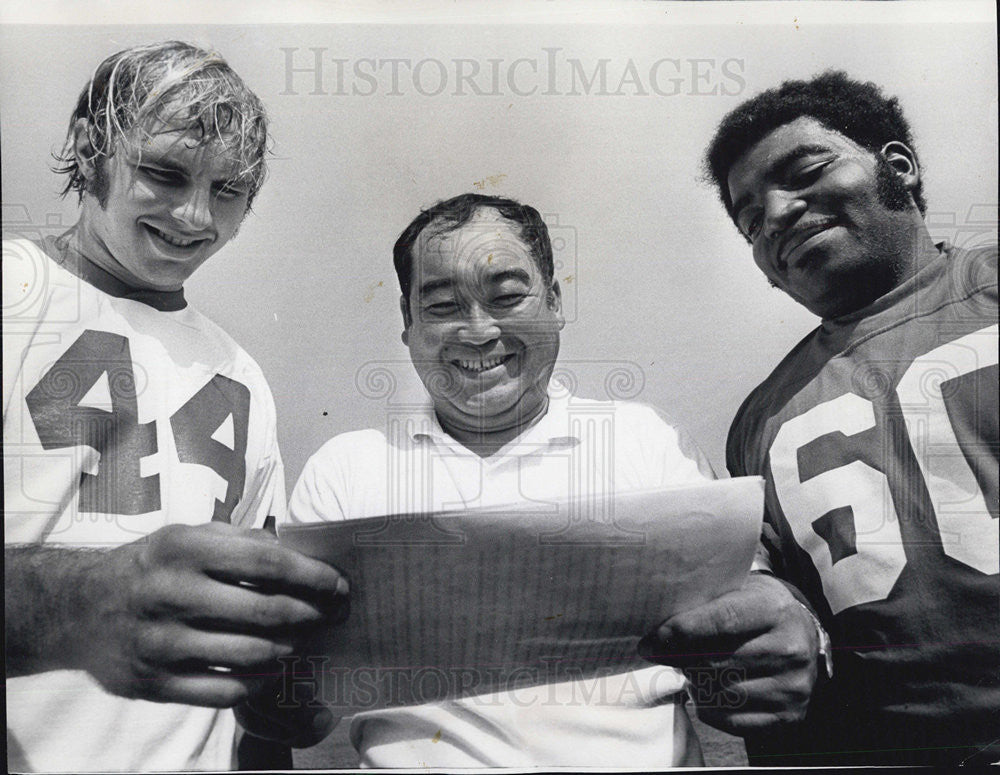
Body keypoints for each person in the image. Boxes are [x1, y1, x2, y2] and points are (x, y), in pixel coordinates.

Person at [3, 41, 347, 772]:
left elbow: (252, 643)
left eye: (228, 190)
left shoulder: (240, 372)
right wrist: (73, 605)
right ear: (90, 149)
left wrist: (278, 699)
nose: (195, 215)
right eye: (163, 174)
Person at [640, 71, 999, 766]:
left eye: (804, 171)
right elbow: (787, 631)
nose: (775, 213)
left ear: (898, 168)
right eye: (750, 219)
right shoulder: (762, 418)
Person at [287, 193, 717, 767]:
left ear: (556, 301)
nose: (478, 330)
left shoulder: (647, 443)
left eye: (507, 297)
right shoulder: (343, 472)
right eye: (441, 306)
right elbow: (300, 708)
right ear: (407, 324)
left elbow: (728, 651)